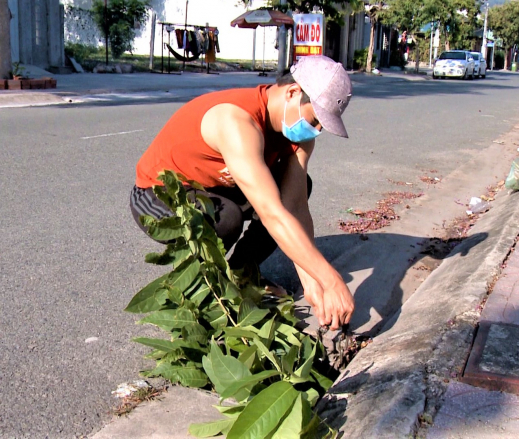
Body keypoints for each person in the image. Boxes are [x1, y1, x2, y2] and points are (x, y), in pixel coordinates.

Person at [130, 55, 355, 330]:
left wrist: (313, 284)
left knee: (299, 184)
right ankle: (202, 294)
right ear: (293, 92)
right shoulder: (237, 122)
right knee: (228, 219)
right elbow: (272, 212)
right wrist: (332, 280)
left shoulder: (299, 135)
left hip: (218, 191)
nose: (316, 130)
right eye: (316, 119)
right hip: (158, 196)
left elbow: (293, 206)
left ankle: (242, 275)